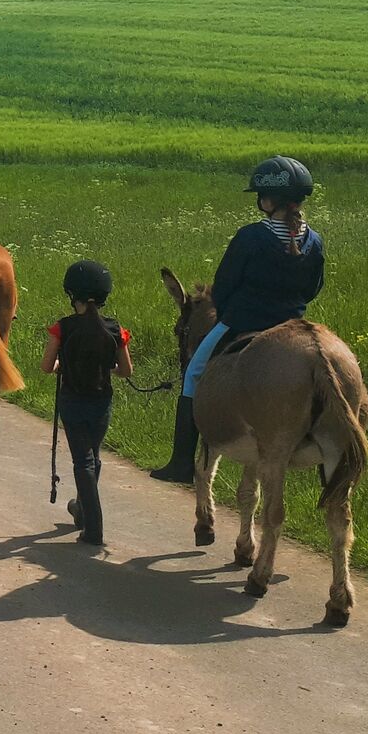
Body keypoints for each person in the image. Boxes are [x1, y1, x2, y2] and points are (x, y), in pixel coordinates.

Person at [152, 156, 325, 483]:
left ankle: (181, 463)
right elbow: (314, 288)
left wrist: (234, 314)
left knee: (193, 373)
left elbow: (225, 285)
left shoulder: (250, 237)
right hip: (292, 325)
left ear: (267, 200)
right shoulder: (313, 241)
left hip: (242, 322)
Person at [44, 260, 135, 546]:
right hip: (101, 402)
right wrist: (106, 368)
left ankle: (93, 528)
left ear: (72, 295)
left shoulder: (63, 328)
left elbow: (47, 366)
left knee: (83, 461)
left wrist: (61, 364)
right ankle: (82, 509)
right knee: (93, 458)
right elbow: (126, 371)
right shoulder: (115, 330)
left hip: (72, 401)